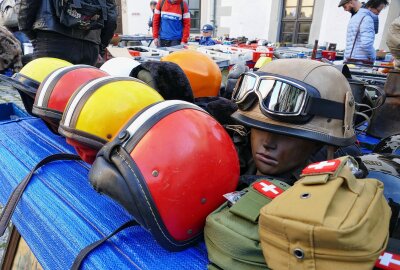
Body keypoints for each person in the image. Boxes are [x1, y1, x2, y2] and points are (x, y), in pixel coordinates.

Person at [230, 59, 357, 184]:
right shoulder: (232, 159)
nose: (268, 143)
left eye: (286, 135)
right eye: (259, 128)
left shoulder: (318, 198)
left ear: (318, 144)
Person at [18, 0, 117, 66]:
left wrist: (31, 35)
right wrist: (100, 47)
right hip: (89, 45)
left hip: (51, 39)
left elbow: (28, 6)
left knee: (45, 91)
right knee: (82, 94)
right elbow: (111, 19)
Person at [344, 0, 389, 64]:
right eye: (378, 10)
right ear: (370, 7)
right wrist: (373, 56)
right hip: (361, 62)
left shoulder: (355, 17)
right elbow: (366, 43)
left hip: (350, 59)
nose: (378, 13)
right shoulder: (367, 19)